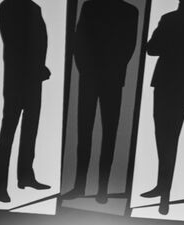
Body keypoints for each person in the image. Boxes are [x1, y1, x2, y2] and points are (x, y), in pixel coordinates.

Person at [66, 0, 140, 203]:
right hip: (97, 78)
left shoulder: (126, 11)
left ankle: (101, 189)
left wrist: (92, 70)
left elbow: (129, 47)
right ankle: (83, 187)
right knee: (88, 133)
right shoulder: (95, 6)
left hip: (108, 80)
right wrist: (85, 70)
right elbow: (79, 40)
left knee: (107, 135)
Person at [141, 0, 184, 215]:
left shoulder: (170, 19)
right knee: (169, 135)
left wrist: (166, 41)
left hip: (167, 80)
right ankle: (164, 189)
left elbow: (152, 48)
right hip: (183, 82)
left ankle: (164, 190)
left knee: (165, 135)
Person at [0, 0, 51, 203]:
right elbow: (14, 43)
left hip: (34, 80)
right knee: (8, 131)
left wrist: (40, 67)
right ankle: (0, 186)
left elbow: (39, 42)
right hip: (17, 80)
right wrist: (37, 68)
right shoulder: (8, 6)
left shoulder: (34, 8)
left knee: (30, 129)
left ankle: (25, 176)